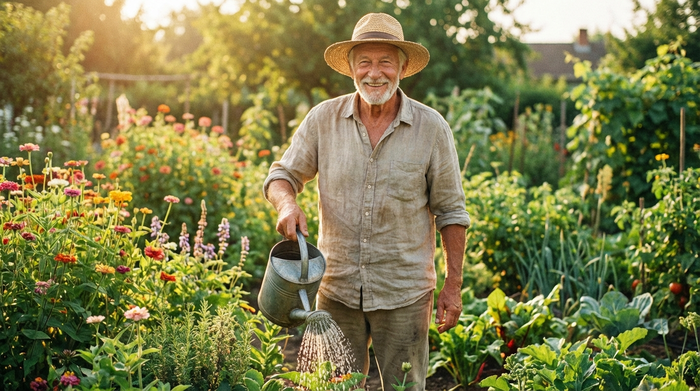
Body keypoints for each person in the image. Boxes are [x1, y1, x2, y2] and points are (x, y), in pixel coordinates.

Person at [263, 12, 470, 390]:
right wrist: (287, 205)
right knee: (331, 386)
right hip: (336, 289)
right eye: (365, 62)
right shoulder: (323, 120)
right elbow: (282, 175)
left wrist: (452, 286)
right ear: (352, 69)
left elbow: (452, 212)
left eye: (385, 62)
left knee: (405, 387)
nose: (375, 72)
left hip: (403, 293)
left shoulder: (431, 128)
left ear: (403, 68)